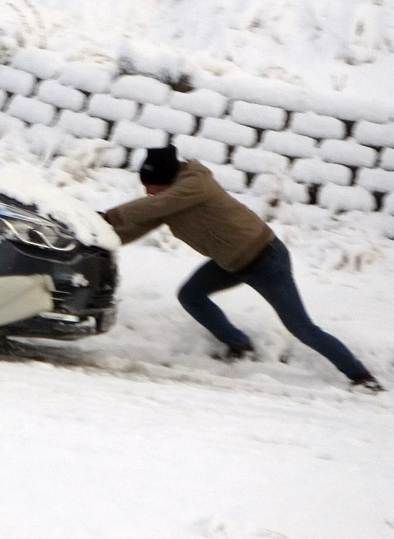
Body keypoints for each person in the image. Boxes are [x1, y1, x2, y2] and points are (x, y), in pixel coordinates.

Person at [102, 145, 384, 393]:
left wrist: (110, 215)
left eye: (150, 185)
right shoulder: (170, 198)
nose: (147, 192)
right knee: (191, 295)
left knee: (301, 327)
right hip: (231, 262)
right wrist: (102, 235)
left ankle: (360, 375)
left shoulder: (195, 184)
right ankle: (239, 345)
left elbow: (157, 204)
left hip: (266, 260)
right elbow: (140, 222)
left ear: (165, 180)